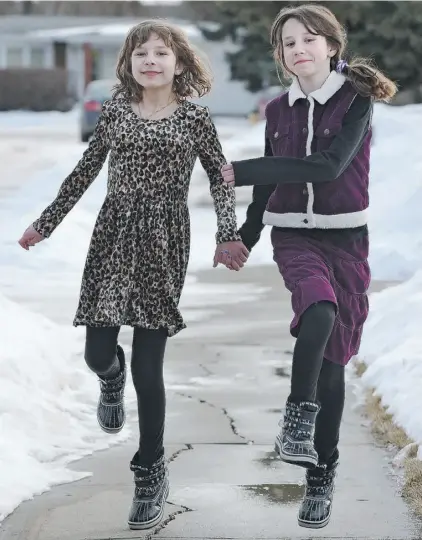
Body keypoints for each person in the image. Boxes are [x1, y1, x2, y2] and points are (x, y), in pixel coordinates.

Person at [18, 19, 249, 530]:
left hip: (165, 239)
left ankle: (150, 473)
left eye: (162, 53)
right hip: (113, 234)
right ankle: (109, 378)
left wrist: (226, 233)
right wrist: (47, 222)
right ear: (128, 63)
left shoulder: (194, 117)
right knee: (98, 351)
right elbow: (86, 168)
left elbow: (219, 175)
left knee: (150, 364)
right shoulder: (116, 111)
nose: (151, 60)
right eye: (141, 52)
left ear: (179, 63)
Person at [219, 3, 397, 530]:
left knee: (334, 362)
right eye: (288, 43)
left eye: (309, 40)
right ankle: (297, 417)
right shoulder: (278, 110)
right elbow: (274, 186)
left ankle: (321, 478)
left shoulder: (356, 101)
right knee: (317, 311)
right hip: (293, 234)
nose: (299, 49)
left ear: (332, 46)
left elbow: (329, 166)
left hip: (348, 238)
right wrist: (243, 236)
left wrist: (243, 170)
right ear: (282, 55)